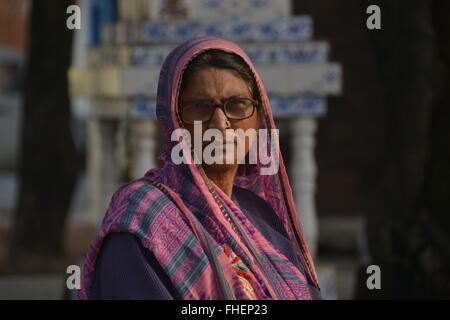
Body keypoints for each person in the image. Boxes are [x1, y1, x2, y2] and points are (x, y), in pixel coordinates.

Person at [77, 37, 322, 300]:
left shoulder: (261, 217)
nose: (220, 123)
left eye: (237, 105)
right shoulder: (141, 219)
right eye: (199, 108)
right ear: (174, 120)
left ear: (259, 118)